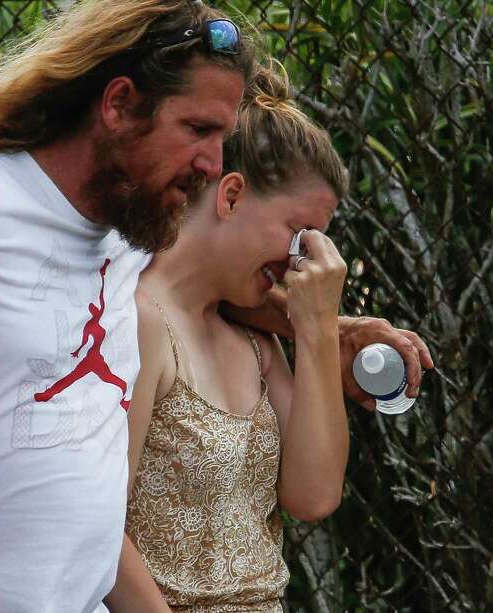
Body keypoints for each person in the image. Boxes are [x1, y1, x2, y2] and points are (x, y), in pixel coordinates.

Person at [0, 2, 432, 611]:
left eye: (221, 137)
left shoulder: (130, 238)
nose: (211, 161)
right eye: (197, 129)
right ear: (120, 104)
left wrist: (324, 329)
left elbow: (197, 288)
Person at [107, 65, 353, 612]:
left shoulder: (255, 346)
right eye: (298, 235)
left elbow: (313, 496)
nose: (299, 262)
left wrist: (315, 332)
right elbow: (98, 525)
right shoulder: (141, 321)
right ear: (233, 195)